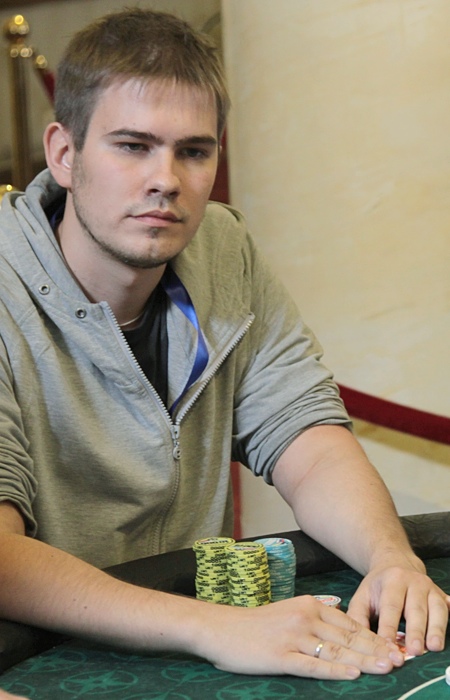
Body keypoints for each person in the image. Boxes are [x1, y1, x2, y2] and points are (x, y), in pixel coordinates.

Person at [0, 7, 448, 683]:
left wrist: (391, 557)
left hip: (183, 646)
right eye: (132, 146)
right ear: (64, 153)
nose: (166, 180)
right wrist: (216, 627)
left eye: (193, 151)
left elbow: (308, 443)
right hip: (32, 657)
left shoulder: (225, 250)